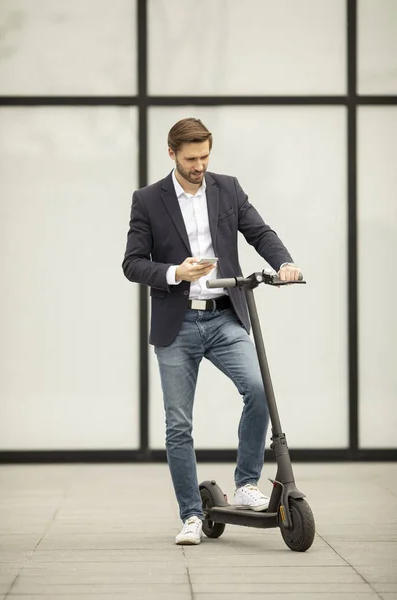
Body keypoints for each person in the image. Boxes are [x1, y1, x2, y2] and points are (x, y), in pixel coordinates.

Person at [122, 118, 300, 545]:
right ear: (172, 155)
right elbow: (132, 263)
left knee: (259, 389)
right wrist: (174, 271)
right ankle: (189, 515)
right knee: (178, 424)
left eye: (205, 156)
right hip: (176, 321)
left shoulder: (228, 188)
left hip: (224, 315)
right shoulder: (147, 200)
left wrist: (284, 263)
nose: (199, 165)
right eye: (191, 159)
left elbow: (259, 232)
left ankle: (246, 483)